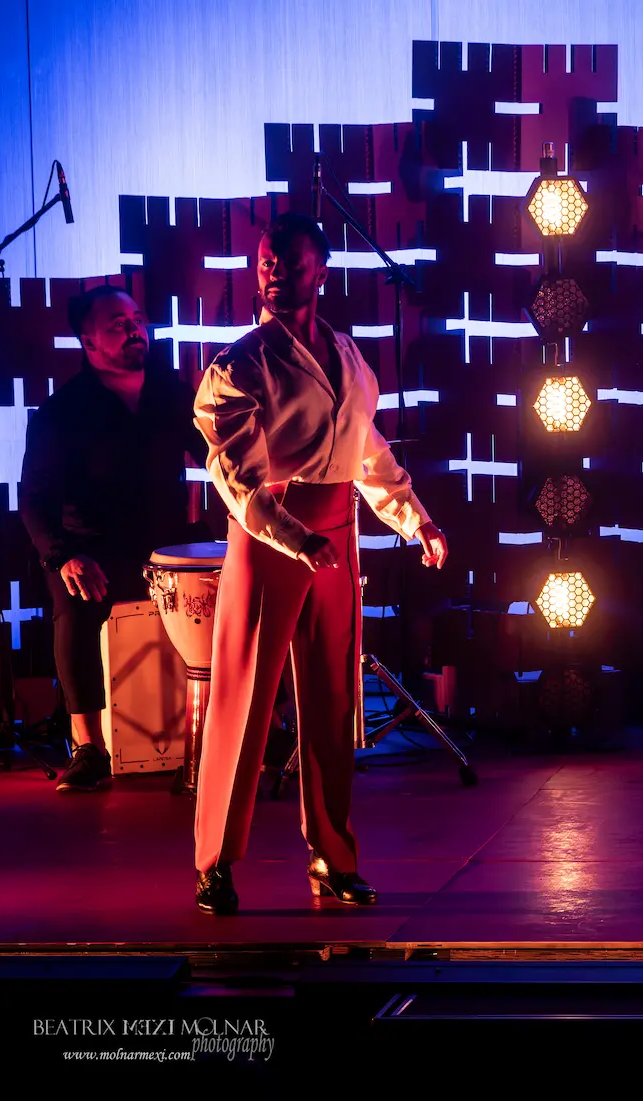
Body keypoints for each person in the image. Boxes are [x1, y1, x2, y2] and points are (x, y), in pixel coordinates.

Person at [191, 213, 448, 915]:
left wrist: (414, 517)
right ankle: (214, 860)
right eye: (267, 262)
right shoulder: (240, 364)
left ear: (321, 273)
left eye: (291, 264)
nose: (275, 273)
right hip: (272, 533)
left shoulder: (346, 356)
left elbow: (368, 454)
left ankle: (333, 857)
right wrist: (293, 536)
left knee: (334, 703)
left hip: (338, 529)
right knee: (243, 701)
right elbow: (235, 476)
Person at [19, 285, 207, 792]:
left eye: (138, 319)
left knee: (241, 579)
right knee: (74, 604)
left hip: (167, 543)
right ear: (89, 340)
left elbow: (215, 455)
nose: (134, 330)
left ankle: (257, 726)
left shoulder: (172, 392)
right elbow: (33, 499)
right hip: (95, 548)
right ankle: (88, 747)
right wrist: (63, 557)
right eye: (118, 324)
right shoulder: (63, 411)